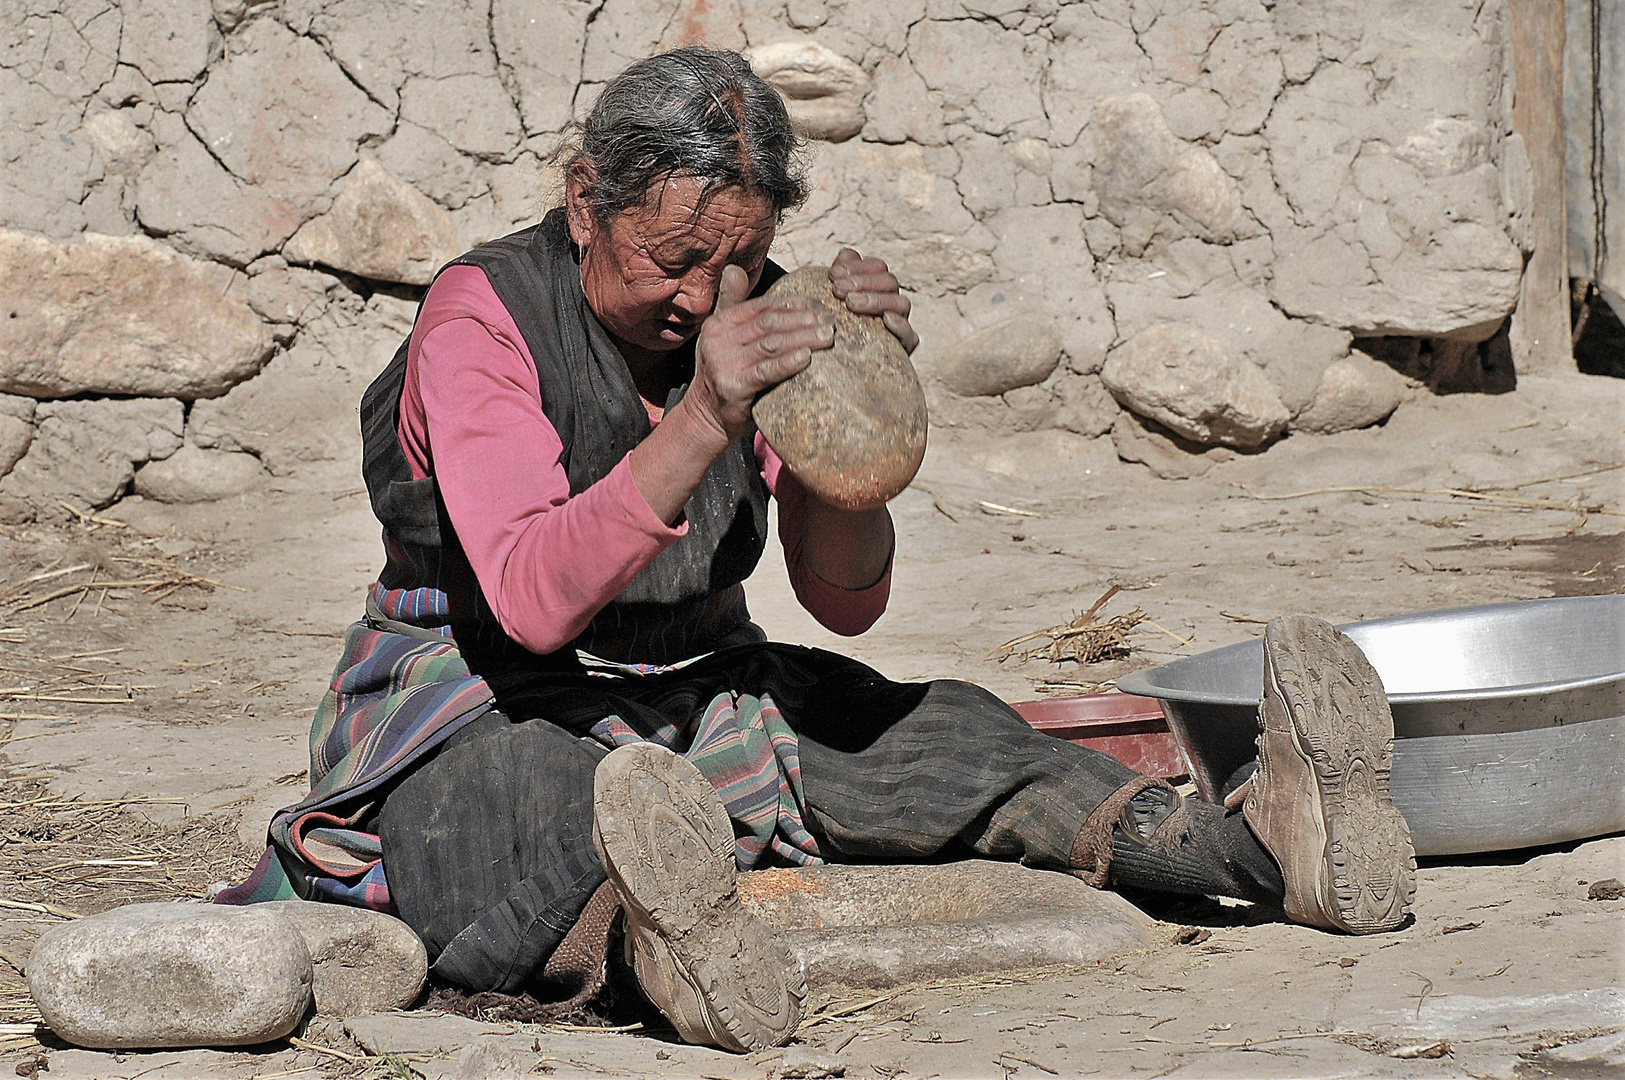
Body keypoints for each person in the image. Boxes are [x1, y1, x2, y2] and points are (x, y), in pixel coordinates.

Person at [220, 46, 1417, 1053]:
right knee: (528, 809)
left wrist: (853, 403)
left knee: (947, 736)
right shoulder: (482, 317)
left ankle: (1255, 846)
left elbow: (842, 602)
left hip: (698, 693)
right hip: (485, 695)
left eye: (729, 260)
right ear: (585, 203)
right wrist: (703, 416)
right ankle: (664, 953)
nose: (699, 298)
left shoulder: (761, 313)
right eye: (668, 260)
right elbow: (531, 601)